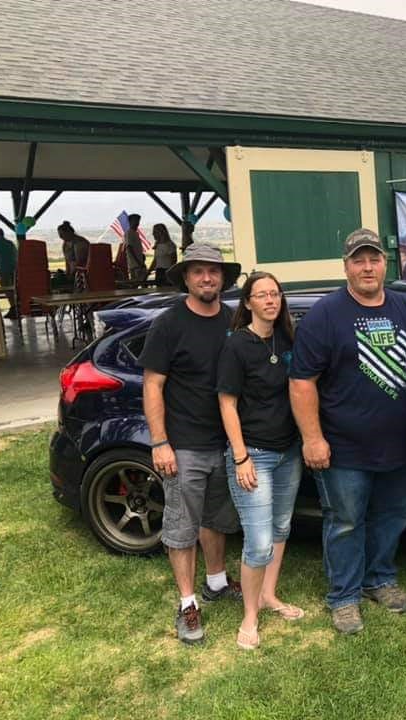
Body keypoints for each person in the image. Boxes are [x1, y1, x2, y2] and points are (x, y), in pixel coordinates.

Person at [290, 228, 406, 635]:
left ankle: (379, 578)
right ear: (346, 265)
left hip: (401, 447)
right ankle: (344, 597)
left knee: (395, 514)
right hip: (343, 448)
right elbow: (301, 382)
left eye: (374, 258)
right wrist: (313, 438)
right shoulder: (325, 314)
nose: (367, 267)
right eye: (358, 260)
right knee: (346, 521)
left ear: (385, 262)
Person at [138, 243, 243, 645]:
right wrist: (160, 442)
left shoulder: (232, 320)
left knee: (216, 518)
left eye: (213, 271)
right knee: (182, 527)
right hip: (184, 445)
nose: (206, 278)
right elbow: (153, 384)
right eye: (198, 271)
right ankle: (187, 603)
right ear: (185, 277)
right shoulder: (169, 324)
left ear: (223, 278)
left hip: (225, 443)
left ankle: (216, 581)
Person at [218, 271, 304, 651]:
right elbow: (227, 403)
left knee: (282, 527)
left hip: (289, 452)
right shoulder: (237, 345)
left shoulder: (288, 338)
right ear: (248, 302)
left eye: (275, 294)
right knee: (258, 541)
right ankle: (250, 615)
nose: (271, 300)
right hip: (254, 454)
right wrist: (240, 456)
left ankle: (269, 595)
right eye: (262, 295)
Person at [58, 221, 90, 290]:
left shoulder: (80, 242)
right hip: (73, 272)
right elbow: (67, 260)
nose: (60, 237)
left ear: (69, 232)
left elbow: (80, 261)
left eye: (62, 234)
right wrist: (67, 273)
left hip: (82, 274)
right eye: (59, 235)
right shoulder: (65, 244)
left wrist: (72, 274)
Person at [125, 213, 146, 280]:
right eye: (135, 221)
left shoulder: (135, 233)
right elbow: (129, 247)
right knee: (136, 282)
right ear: (130, 221)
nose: (137, 223)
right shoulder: (129, 233)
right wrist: (138, 262)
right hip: (135, 265)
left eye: (138, 221)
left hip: (138, 263)